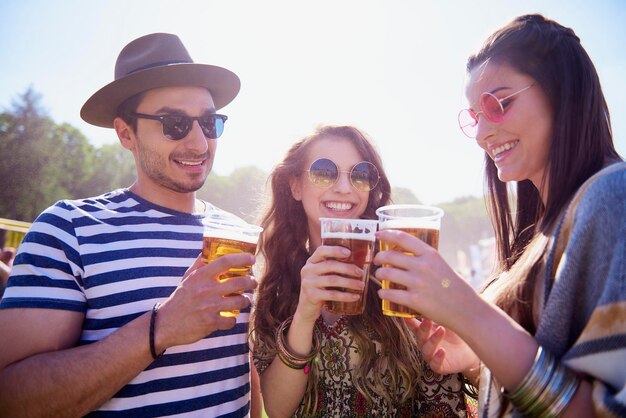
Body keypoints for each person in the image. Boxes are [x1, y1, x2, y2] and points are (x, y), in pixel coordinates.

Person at [374, 14, 625, 417]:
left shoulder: (612, 196)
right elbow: (547, 375)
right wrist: (476, 356)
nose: (480, 134)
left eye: (498, 103)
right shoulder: (543, 225)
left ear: (563, 93)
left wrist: (468, 311)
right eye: (475, 114)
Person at [0, 33, 262, 417]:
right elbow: (12, 399)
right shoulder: (68, 229)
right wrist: (161, 328)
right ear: (126, 133)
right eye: (174, 123)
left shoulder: (237, 235)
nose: (199, 143)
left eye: (209, 122)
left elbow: (243, 373)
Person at [251, 125, 471, 417]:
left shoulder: (401, 272)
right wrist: (304, 316)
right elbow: (276, 410)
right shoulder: (277, 288)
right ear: (295, 185)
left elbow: (444, 389)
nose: (345, 187)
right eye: (324, 171)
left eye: (360, 174)